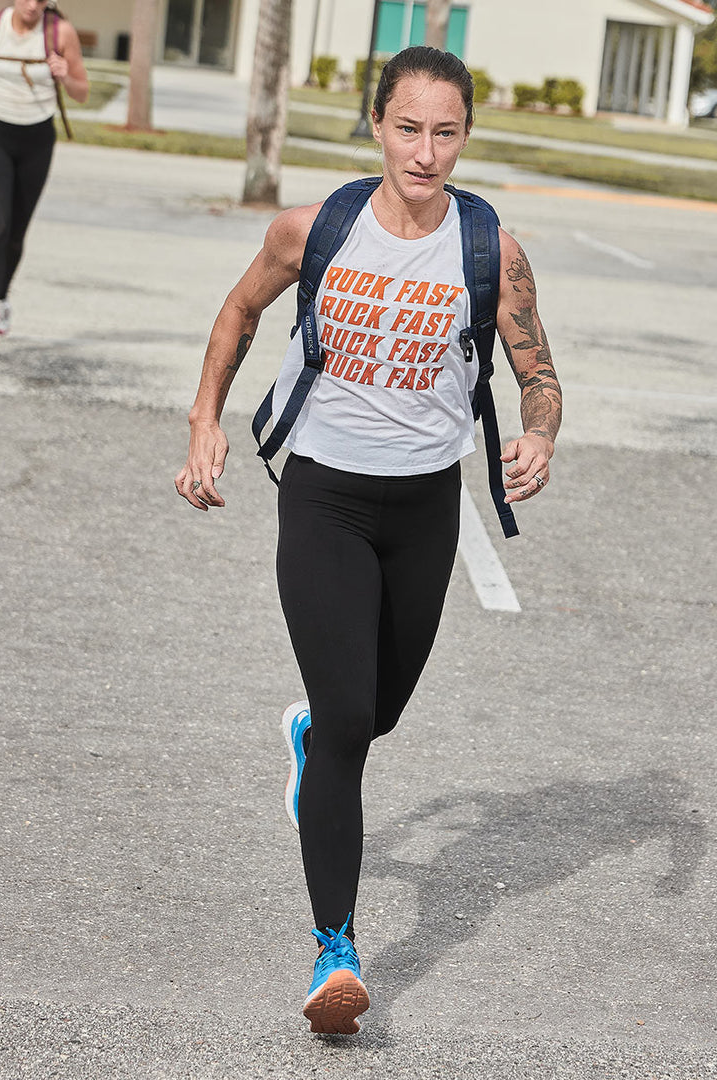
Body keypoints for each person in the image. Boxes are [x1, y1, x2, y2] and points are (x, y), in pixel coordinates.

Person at [174, 45, 562, 1035]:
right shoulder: (318, 230)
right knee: (351, 719)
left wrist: (541, 432)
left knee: (373, 714)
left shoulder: (491, 248)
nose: (425, 153)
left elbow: (538, 371)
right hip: (325, 503)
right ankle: (334, 949)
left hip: (425, 512)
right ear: (376, 126)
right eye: (407, 128)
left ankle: (310, 738)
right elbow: (239, 309)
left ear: (466, 136)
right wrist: (205, 420)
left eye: (445, 133)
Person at [0, 0, 88, 357]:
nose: (32, 5)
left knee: (15, 233)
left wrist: (64, 74)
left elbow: (82, 91)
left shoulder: (60, 33)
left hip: (37, 139)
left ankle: (0, 299)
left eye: (40, 0)